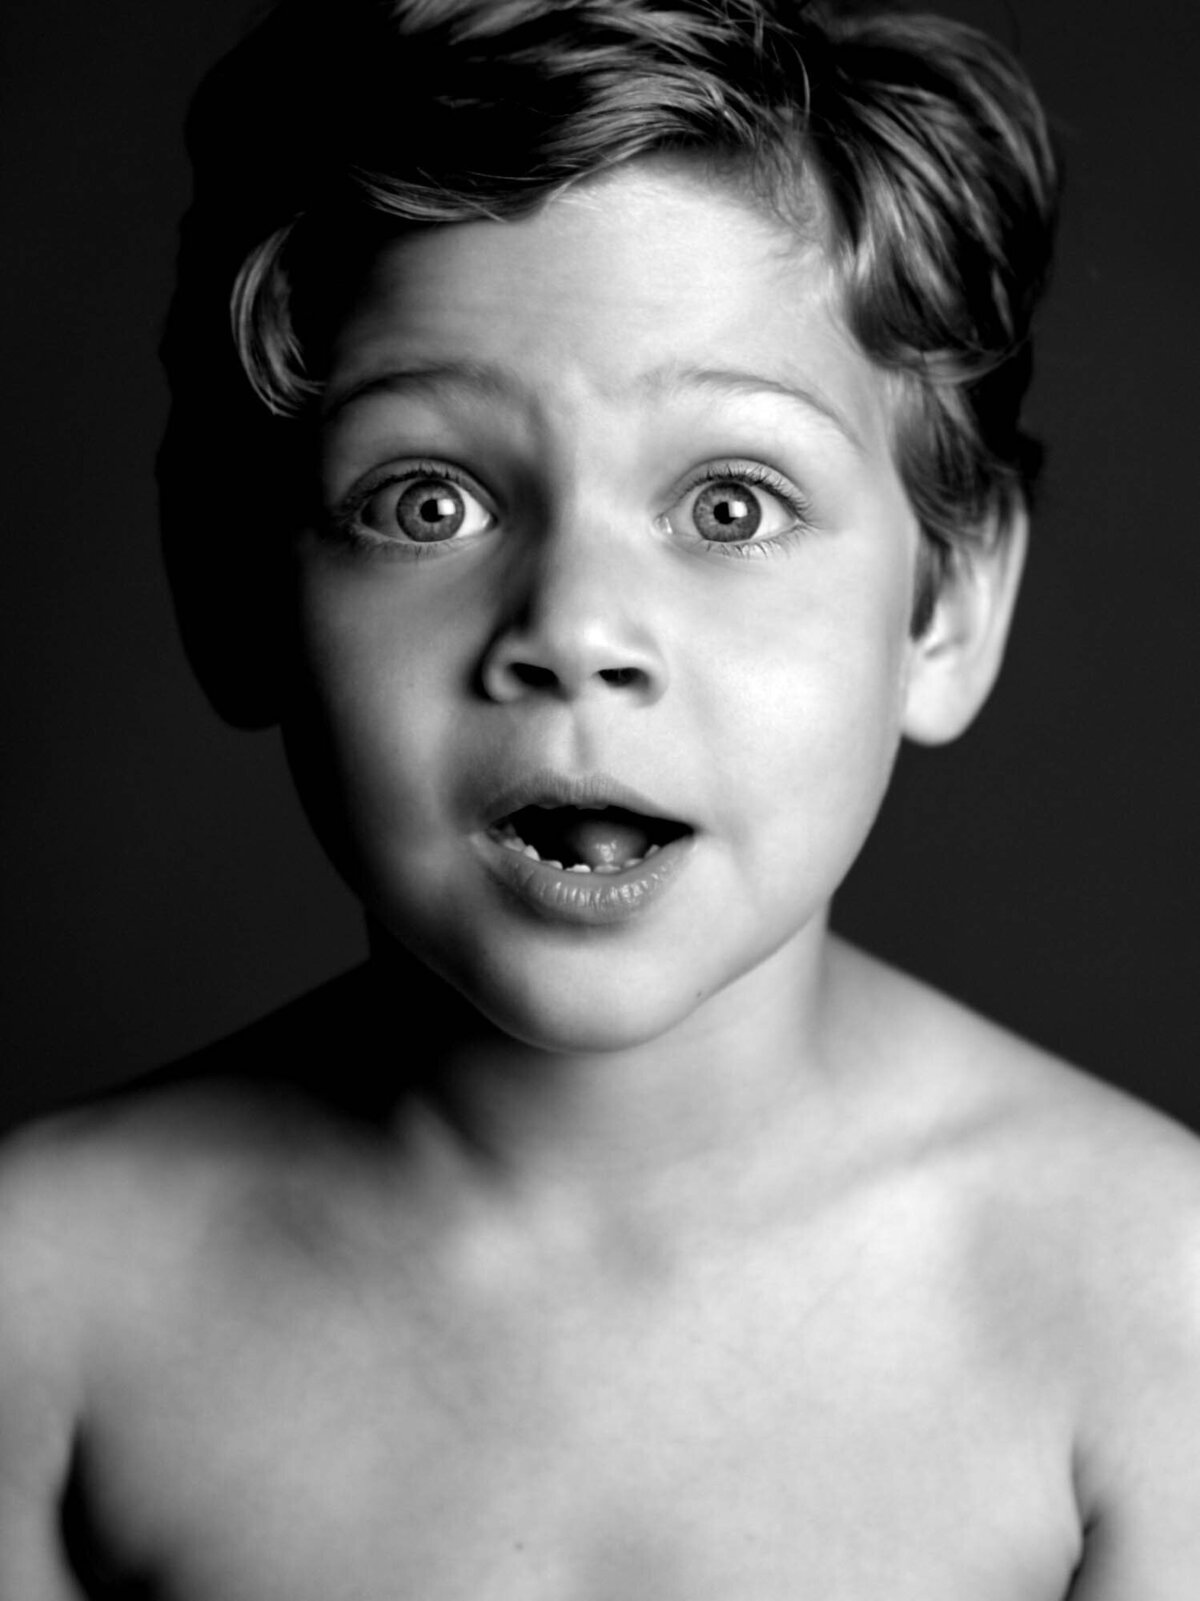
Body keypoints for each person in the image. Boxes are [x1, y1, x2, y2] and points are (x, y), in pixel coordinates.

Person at [2, 0, 1199, 1594]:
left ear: (946, 605)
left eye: (730, 500)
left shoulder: (1152, 1311)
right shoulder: (45, 1301)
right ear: (231, 590)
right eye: (426, 499)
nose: (573, 627)